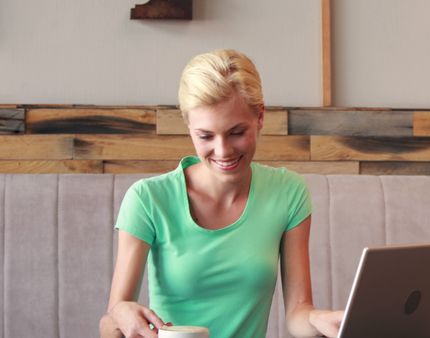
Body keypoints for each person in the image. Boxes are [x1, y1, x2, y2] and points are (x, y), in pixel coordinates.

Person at [99, 49, 344, 338]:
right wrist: (120, 314)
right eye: (205, 136)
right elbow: (110, 324)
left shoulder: (289, 194)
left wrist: (322, 320)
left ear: (260, 116)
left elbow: (297, 314)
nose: (223, 151)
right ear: (188, 126)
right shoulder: (148, 199)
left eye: (236, 132)